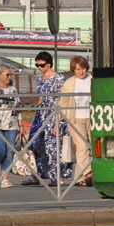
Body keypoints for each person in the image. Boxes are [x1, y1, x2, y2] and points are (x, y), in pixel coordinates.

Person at [25, 51, 68, 185]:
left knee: (53, 147)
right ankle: (37, 174)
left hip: (54, 114)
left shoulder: (59, 78)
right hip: (40, 115)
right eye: (37, 65)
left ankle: (57, 177)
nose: (39, 68)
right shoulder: (40, 79)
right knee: (36, 144)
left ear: (49, 64)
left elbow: (64, 99)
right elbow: (39, 98)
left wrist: (59, 118)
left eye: (42, 65)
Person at [60, 55, 93, 186]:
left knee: (93, 146)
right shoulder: (69, 83)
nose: (81, 72)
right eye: (78, 69)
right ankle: (88, 173)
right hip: (75, 119)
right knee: (82, 147)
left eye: (83, 68)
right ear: (73, 70)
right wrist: (62, 118)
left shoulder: (92, 80)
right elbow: (62, 102)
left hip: (91, 117)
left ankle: (79, 178)